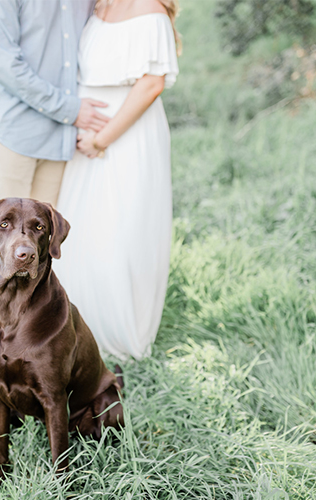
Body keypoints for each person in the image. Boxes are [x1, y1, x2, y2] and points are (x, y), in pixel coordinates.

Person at [53, 0, 181, 359]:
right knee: (86, 232)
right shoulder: (97, 8)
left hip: (127, 137)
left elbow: (151, 84)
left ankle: (122, 337)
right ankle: (78, 328)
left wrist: (101, 138)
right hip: (85, 138)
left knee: (122, 231)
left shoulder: (151, 12)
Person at [0, 0, 110, 302]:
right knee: (2, 249)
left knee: (38, 254)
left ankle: (34, 343)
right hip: (12, 130)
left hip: (59, 135)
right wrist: (69, 109)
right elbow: (2, 62)